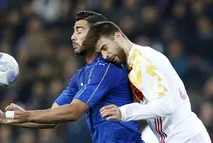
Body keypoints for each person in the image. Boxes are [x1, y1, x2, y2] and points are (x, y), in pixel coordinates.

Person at [0, 11, 144, 143]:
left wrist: (27, 115)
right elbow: (52, 118)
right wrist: (4, 118)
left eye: (79, 31)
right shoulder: (81, 76)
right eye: (73, 31)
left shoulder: (107, 68)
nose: (72, 37)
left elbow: (74, 112)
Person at [81, 21, 211, 143]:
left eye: (105, 47)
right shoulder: (140, 59)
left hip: (183, 138)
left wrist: (124, 112)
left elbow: (165, 105)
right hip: (184, 135)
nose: (106, 55)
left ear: (118, 36)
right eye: (101, 53)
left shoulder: (142, 63)